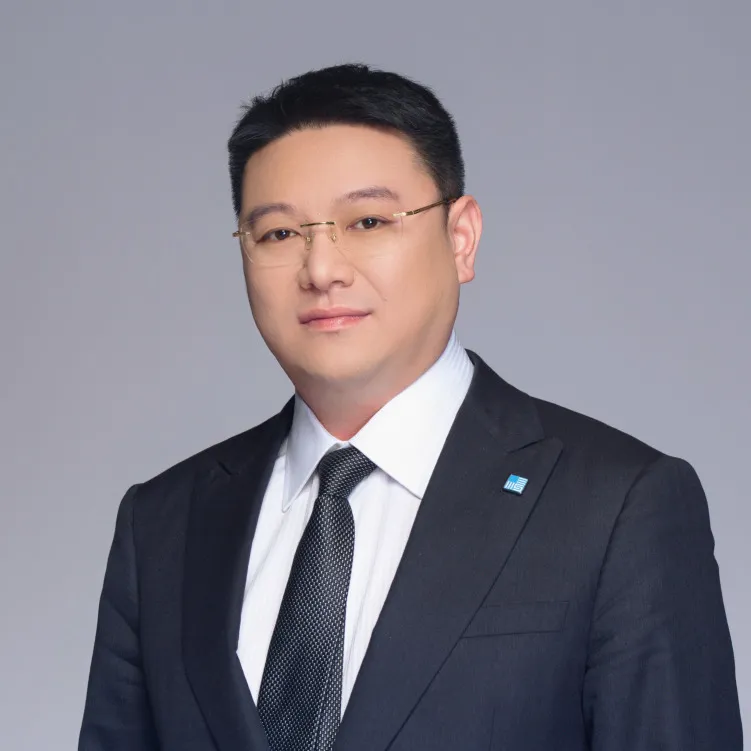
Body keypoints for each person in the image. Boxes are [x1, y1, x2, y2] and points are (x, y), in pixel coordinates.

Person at [78, 63, 743, 751]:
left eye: (368, 221)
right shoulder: (164, 524)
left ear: (461, 237)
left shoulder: (616, 505)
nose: (321, 269)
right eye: (278, 234)